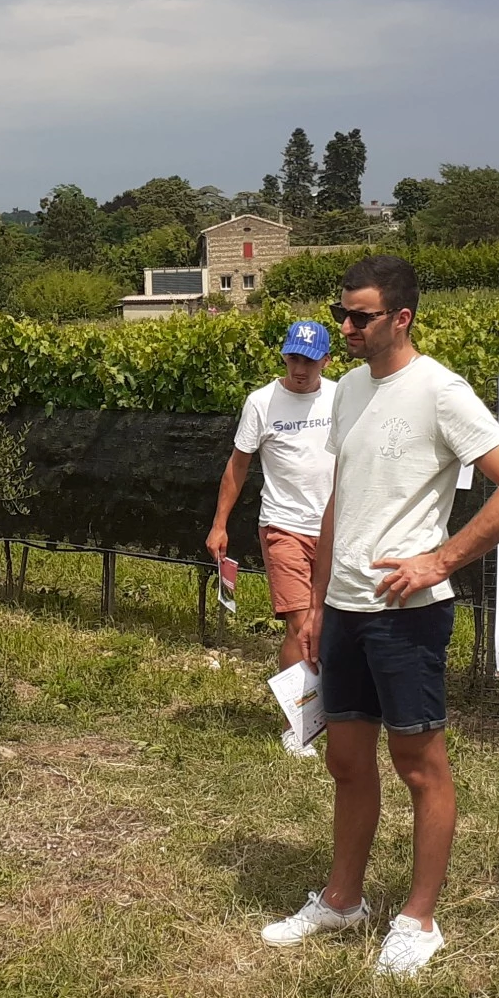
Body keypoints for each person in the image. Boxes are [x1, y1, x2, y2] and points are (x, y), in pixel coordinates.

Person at [259, 254, 499, 979]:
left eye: (360, 317)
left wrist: (439, 561)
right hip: (347, 609)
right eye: (342, 315)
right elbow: (338, 500)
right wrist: (320, 602)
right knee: (346, 761)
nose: (346, 329)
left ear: (401, 318)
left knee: (420, 766)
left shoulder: (440, 391)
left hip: (407, 613)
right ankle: (343, 899)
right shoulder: (349, 390)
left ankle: (419, 919)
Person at [207, 318, 336, 751]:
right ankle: (297, 729)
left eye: (310, 360)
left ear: (326, 360)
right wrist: (220, 523)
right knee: (302, 627)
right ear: (283, 356)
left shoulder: (341, 399)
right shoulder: (261, 403)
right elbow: (238, 465)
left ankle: (329, 716)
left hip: (337, 528)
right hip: (283, 526)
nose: (300, 368)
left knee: (330, 626)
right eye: (293, 358)